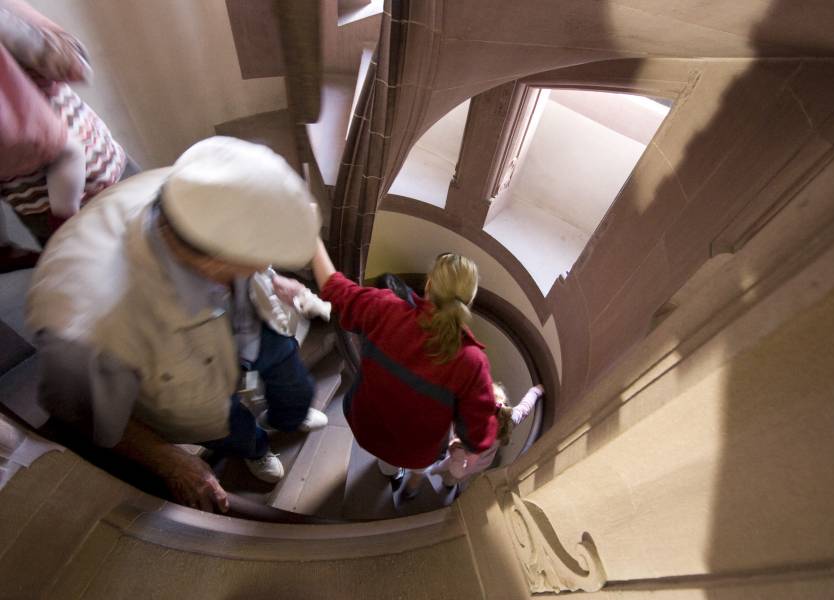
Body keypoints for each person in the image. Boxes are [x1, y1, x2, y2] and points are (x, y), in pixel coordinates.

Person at [27, 137, 325, 512]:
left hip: (252, 320)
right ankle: (257, 448)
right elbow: (84, 415)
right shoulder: (85, 328)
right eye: (261, 258)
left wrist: (270, 278)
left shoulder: (197, 196)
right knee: (233, 429)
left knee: (293, 381)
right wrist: (171, 461)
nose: (267, 265)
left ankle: (289, 415)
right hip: (194, 394)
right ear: (217, 262)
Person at [299, 244, 499, 491]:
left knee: (386, 462)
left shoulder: (385, 308)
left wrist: (315, 242)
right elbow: (478, 431)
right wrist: (471, 452)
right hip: (419, 451)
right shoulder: (471, 362)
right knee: (416, 463)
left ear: (428, 285)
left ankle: (389, 472)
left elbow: (335, 288)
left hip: (368, 428)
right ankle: (402, 477)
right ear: (468, 301)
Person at [0, 0, 127, 255]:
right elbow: (75, 66)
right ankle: (65, 228)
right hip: (87, 185)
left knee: (82, 271)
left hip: (29, 200)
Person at [429, 383, 543, 491]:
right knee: (461, 475)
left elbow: (459, 468)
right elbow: (524, 408)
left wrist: (453, 449)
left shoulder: (470, 436)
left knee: (453, 472)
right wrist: (536, 391)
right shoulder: (508, 421)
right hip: (482, 463)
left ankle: (445, 481)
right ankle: (448, 482)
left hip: (463, 461)